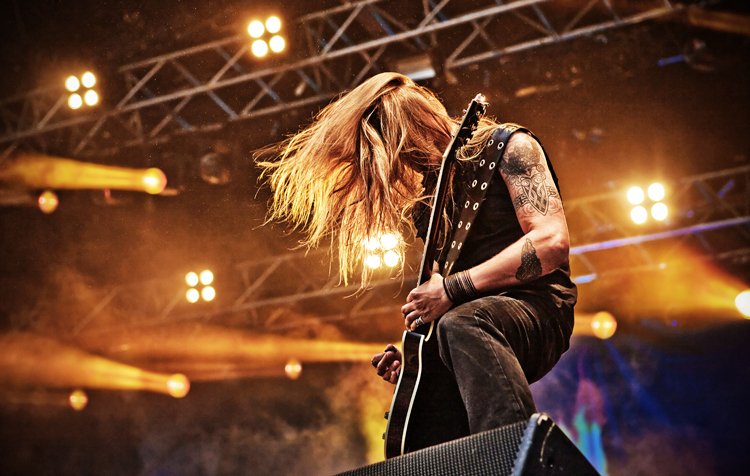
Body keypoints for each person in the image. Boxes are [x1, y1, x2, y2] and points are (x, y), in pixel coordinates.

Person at [257, 72, 576, 441]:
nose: (407, 166)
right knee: (424, 399)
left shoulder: (511, 146)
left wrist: (452, 290)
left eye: (405, 151)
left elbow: (551, 243)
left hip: (538, 307)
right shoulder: (427, 206)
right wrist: (417, 360)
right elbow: (439, 302)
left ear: (417, 126)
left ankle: (512, 453)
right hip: (468, 325)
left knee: (461, 323)